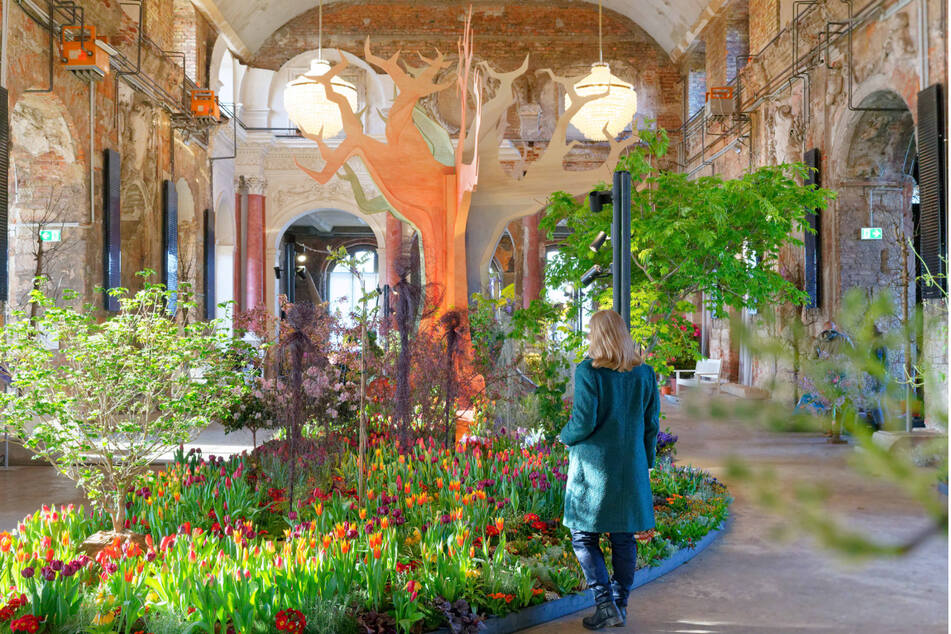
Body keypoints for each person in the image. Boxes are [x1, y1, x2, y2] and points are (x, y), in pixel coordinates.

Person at [559, 309, 660, 630]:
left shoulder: (589, 372)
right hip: (630, 465)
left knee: (583, 536)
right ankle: (620, 605)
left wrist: (564, 436)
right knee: (624, 537)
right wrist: (646, 463)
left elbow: (584, 421)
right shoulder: (645, 374)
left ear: (596, 336)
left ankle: (605, 604)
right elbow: (651, 425)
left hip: (594, 469)